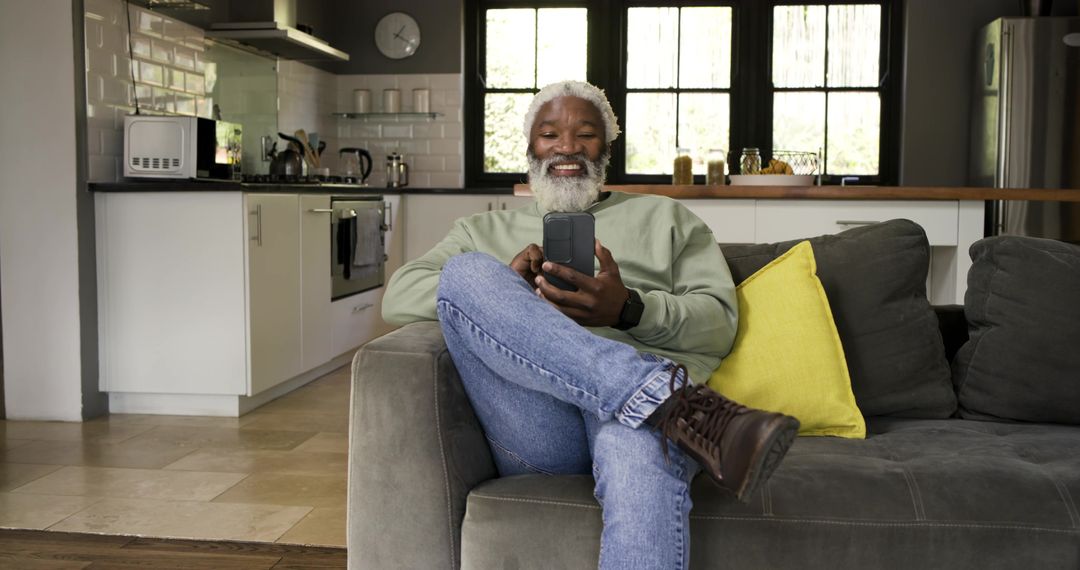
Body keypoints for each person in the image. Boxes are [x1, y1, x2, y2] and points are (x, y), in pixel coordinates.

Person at [382, 80, 799, 569]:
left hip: (633, 426)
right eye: (549, 134)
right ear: (530, 147)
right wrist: (509, 294)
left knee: (639, 438)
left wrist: (629, 309)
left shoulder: (668, 219)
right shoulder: (483, 230)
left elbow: (718, 323)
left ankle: (652, 405)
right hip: (537, 424)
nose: (567, 147)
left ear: (607, 148)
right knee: (467, 272)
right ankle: (666, 399)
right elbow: (398, 296)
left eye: (585, 134)